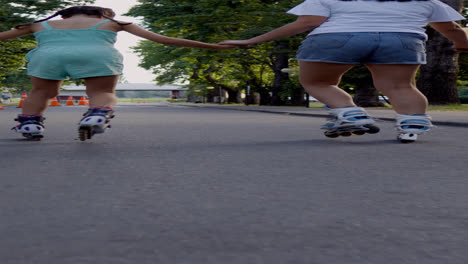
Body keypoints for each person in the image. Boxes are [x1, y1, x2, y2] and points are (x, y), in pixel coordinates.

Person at [220, 0, 468, 143]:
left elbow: (306, 23)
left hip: (334, 38)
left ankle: (350, 114)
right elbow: (453, 28)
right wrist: (463, 44)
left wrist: (251, 41)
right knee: (401, 86)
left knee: (317, 82)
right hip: (401, 39)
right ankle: (412, 125)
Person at [0, 6, 231, 141]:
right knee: (101, 91)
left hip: (48, 56)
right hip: (98, 55)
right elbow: (164, 39)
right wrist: (213, 46)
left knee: (42, 92)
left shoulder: (38, 24)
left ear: (64, 16)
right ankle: (97, 114)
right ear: (101, 15)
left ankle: (30, 124)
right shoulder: (115, 22)